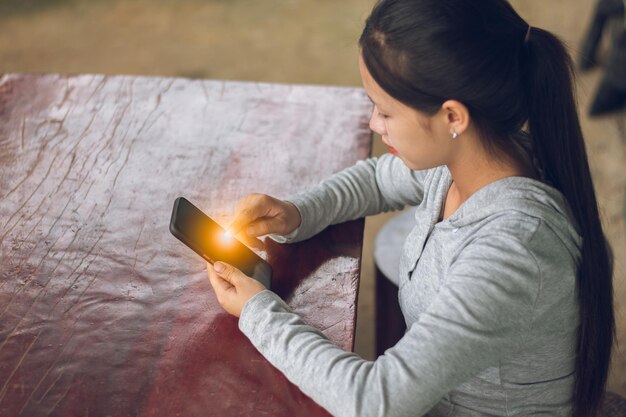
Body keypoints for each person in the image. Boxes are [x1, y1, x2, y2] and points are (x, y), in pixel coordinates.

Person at [206, 0, 615, 416]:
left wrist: (259, 313)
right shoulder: (469, 161)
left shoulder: (513, 251)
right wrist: (298, 212)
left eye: (385, 111)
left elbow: (374, 402)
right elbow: (380, 178)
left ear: (452, 116)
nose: (373, 124)